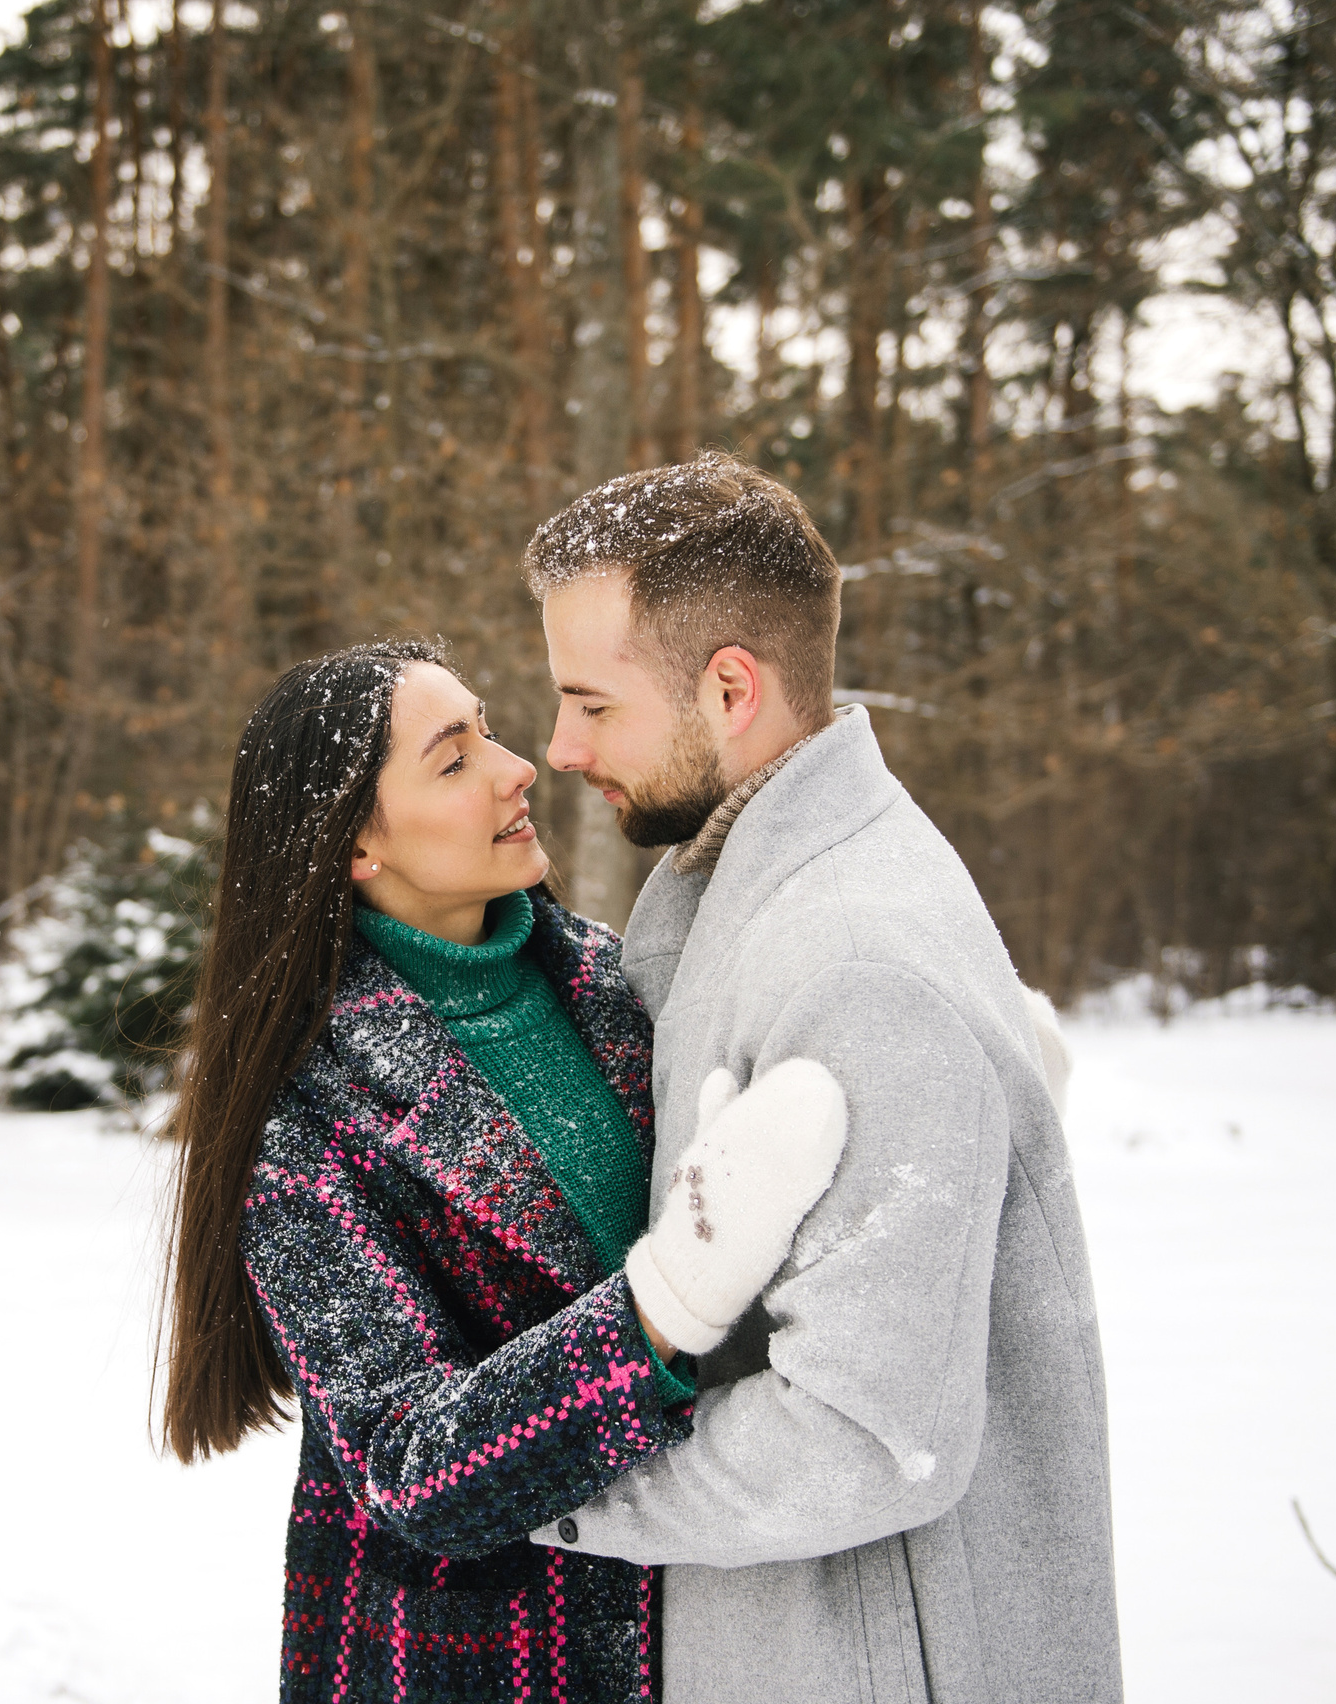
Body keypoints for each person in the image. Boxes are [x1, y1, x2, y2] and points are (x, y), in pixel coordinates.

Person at [524, 452, 1118, 1703]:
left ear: (729, 687)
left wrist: (547, 1480)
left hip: (881, 1663)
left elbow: (864, 1436)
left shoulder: (852, 955)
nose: (559, 747)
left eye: (591, 702)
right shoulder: (757, 886)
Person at [159, 638, 850, 1703]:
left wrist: (903, 1096)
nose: (516, 765)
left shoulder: (624, 979)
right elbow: (410, 1466)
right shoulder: (299, 1124)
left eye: (487, 729)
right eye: (452, 759)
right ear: (351, 847)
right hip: (480, 1659)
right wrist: (666, 1304)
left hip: (722, 1625)